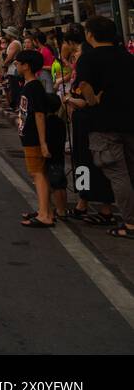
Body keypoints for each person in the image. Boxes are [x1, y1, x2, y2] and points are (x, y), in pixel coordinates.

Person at [74, 16, 134, 242]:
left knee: (117, 174)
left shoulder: (88, 59)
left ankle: (130, 222)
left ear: (90, 35)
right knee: (130, 171)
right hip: (129, 121)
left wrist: (92, 100)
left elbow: (85, 87)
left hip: (103, 124)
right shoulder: (127, 57)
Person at [59, 23, 114, 223]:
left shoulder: (85, 59)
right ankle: (83, 201)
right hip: (86, 118)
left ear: (70, 43)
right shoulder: (84, 58)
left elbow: (83, 92)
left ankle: (101, 206)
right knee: (84, 161)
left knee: (89, 162)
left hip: (86, 117)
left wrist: (69, 99)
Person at [16, 50, 58, 228]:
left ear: (26, 66)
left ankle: (44, 215)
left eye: (18, 63)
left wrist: (42, 143)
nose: (16, 65)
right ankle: (45, 209)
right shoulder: (30, 85)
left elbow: (39, 115)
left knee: (37, 174)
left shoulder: (33, 87)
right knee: (40, 173)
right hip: (29, 136)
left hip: (34, 137)